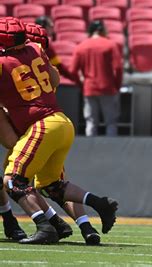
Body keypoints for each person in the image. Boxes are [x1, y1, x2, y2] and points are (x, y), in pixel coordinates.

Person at [0, 17, 118, 244]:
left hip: (39, 126)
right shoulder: (35, 48)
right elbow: (55, 78)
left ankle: (45, 227)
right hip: (61, 121)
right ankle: (99, 204)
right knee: (52, 186)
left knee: (13, 181)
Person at [70, 20, 123, 136]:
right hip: (108, 88)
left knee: (91, 122)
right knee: (111, 122)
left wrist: (81, 85)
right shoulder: (110, 45)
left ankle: (89, 151)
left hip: (89, 88)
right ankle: (112, 150)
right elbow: (118, 68)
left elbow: (72, 70)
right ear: (102, 30)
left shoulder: (81, 47)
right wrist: (117, 85)